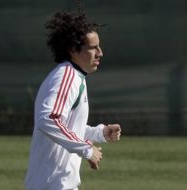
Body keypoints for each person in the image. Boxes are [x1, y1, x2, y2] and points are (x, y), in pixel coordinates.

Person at [25, 11, 121, 190]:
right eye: (93, 47)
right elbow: (48, 119)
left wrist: (99, 133)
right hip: (52, 185)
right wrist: (86, 149)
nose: (100, 53)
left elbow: (67, 125)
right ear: (73, 49)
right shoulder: (66, 77)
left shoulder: (75, 77)